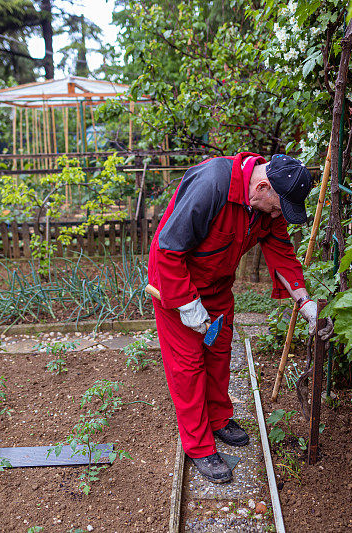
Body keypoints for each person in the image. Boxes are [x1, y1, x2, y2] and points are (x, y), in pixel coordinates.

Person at [147, 152, 321, 483]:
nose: (275, 214)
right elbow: (168, 249)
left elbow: (281, 251)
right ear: (263, 186)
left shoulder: (268, 203)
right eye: (275, 208)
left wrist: (304, 300)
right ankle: (198, 446)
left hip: (216, 293)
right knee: (188, 367)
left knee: (217, 351)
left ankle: (219, 417)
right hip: (176, 288)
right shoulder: (212, 185)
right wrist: (185, 303)